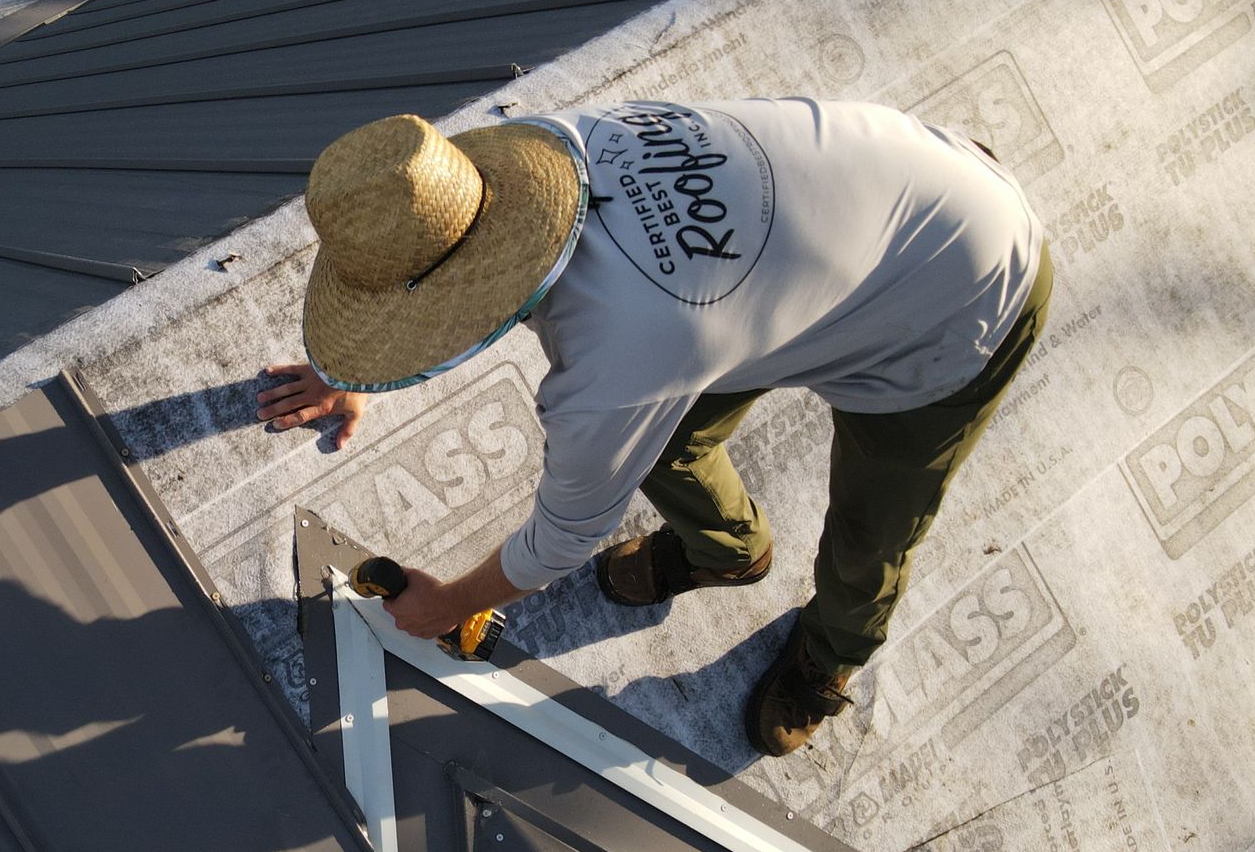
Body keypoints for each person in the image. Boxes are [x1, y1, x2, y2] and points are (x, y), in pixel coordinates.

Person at [257, 100, 1050, 755]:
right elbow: (432, 255)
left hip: (965, 295)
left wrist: (449, 602)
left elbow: (560, 540)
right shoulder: (545, 149)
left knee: (870, 536)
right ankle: (730, 551)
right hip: (898, 189)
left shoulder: (615, 365)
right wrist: (349, 372)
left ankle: (830, 653)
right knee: (665, 437)